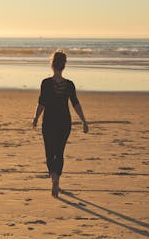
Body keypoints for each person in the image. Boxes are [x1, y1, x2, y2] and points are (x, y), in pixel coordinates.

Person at [32, 50, 88, 198]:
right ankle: (58, 178)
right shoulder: (69, 85)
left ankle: (54, 177)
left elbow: (41, 103)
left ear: (52, 65)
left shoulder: (45, 83)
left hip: (49, 122)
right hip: (64, 122)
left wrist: (36, 117)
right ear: (64, 65)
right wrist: (83, 120)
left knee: (50, 152)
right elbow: (75, 104)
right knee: (60, 152)